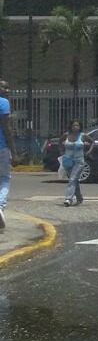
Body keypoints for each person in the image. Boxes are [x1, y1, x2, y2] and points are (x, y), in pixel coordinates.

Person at [59, 119, 94, 207]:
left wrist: (89, 152)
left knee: (72, 179)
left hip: (79, 161)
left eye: (77, 125)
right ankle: (79, 198)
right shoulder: (66, 135)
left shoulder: (83, 136)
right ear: (71, 126)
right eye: (74, 125)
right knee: (74, 180)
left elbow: (92, 142)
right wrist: (61, 152)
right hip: (68, 160)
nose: (76, 127)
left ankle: (68, 198)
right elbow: (59, 142)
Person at [0, 81, 18, 230]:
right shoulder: (3, 102)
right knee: (5, 178)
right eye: (4, 87)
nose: (7, 90)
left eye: (7, 87)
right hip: (2, 147)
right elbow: (7, 129)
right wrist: (14, 153)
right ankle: (0, 206)